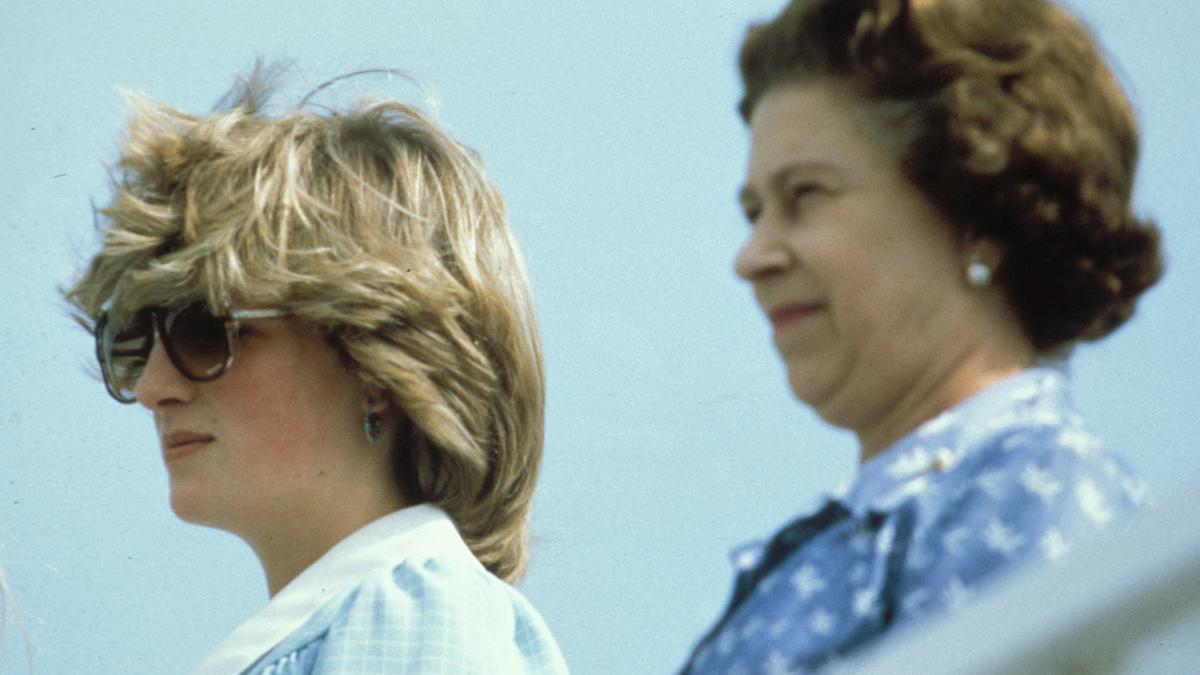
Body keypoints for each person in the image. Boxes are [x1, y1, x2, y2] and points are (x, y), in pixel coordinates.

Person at [678, 0, 1163, 672]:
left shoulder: (1036, 499)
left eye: (805, 195)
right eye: (755, 211)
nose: (752, 256)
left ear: (974, 212)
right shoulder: (890, 529)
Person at [64, 66, 568, 674]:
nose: (152, 387)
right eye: (137, 339)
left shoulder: (414, 619)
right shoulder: (363, 626)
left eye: (202, 331)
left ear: (379, 364)